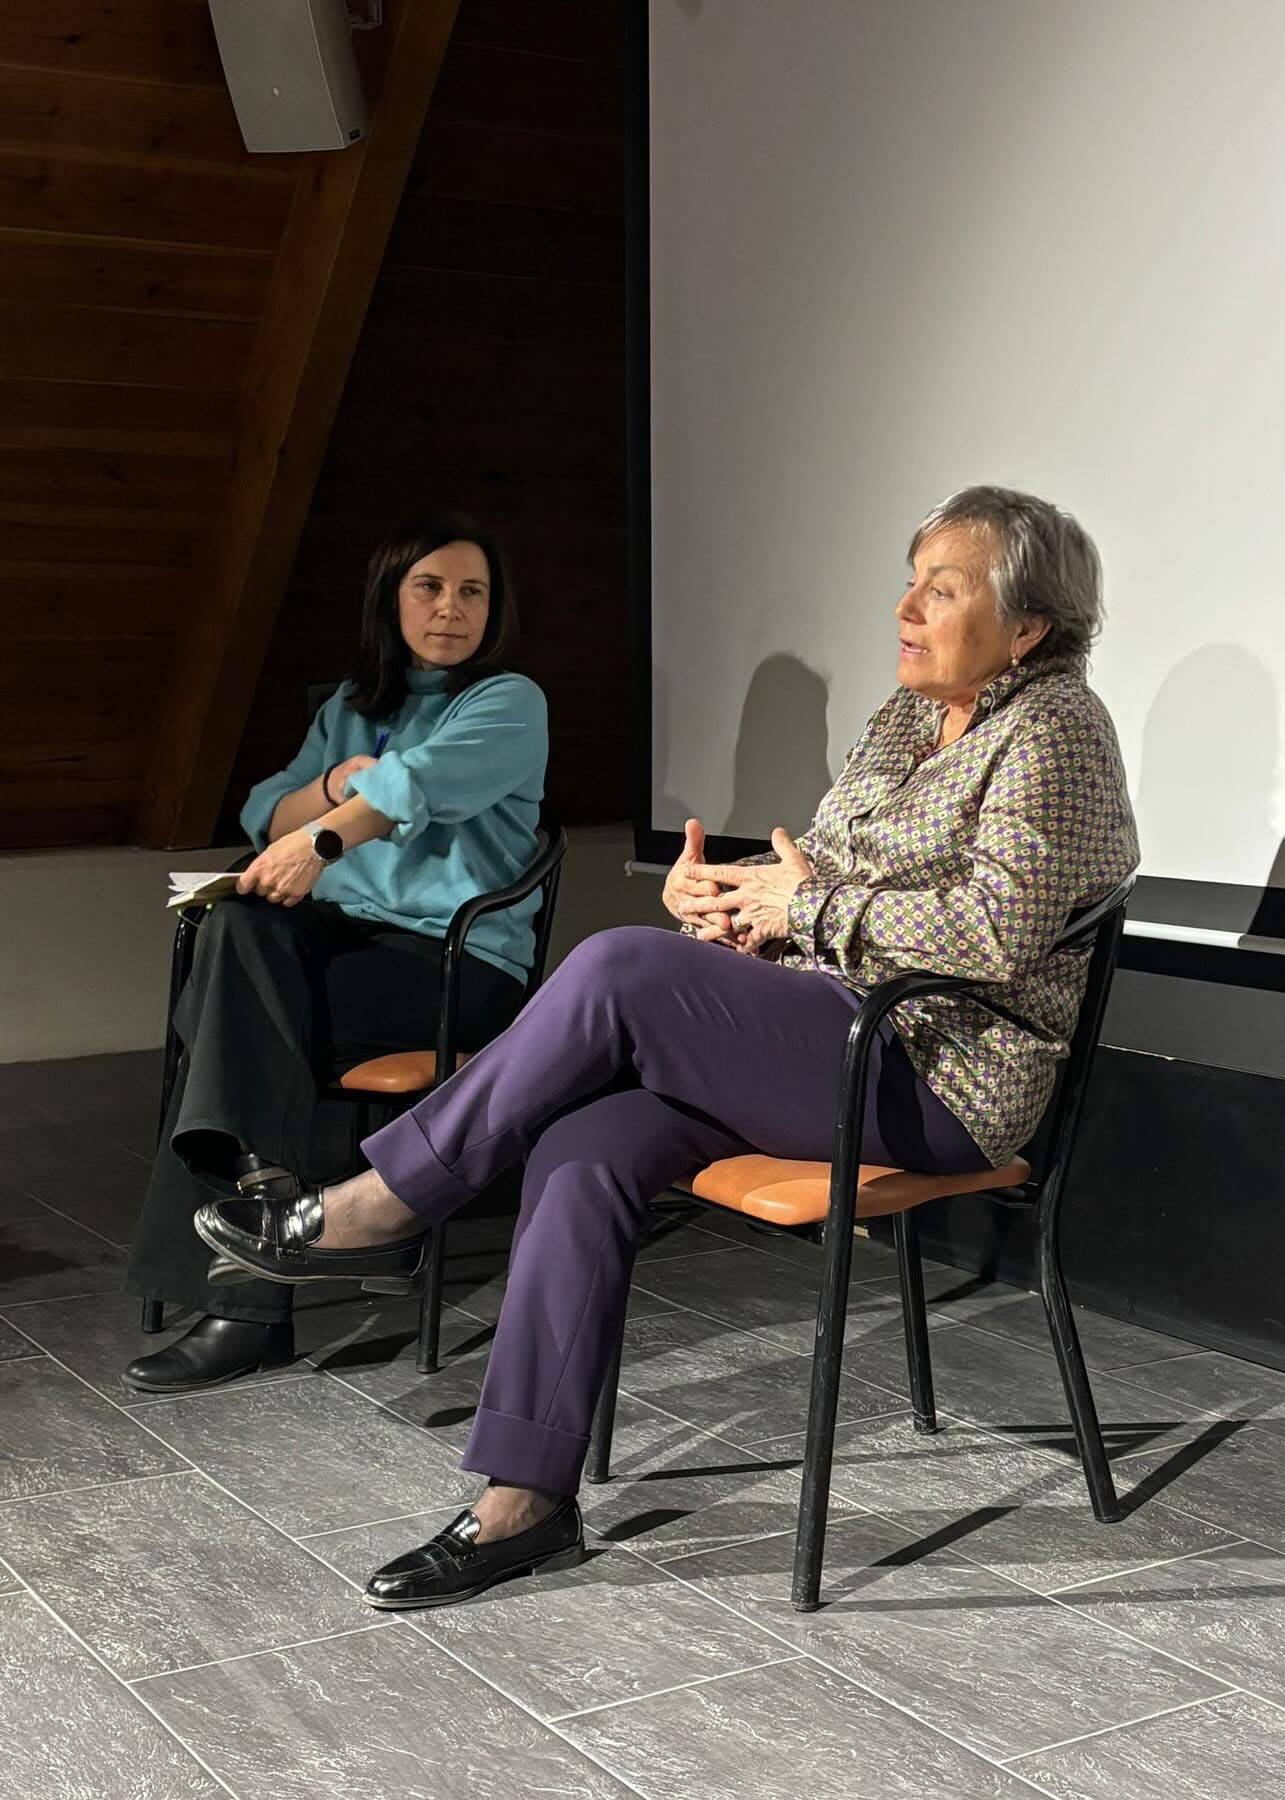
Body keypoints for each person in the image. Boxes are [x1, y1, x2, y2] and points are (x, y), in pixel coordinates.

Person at [198, 484, 1139, 1606]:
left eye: (941, 590)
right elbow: (827, 877)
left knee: (617, 967)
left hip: (935, 1079)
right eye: (910, 581)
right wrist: (731, 898)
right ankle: (524, 1502)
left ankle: (388, 1200)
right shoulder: (905, 718)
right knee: (586, 1143)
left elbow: (998, 928)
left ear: (1027, 627)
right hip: (826, 1037)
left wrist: (801, 909)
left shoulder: (1057, 730)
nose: (905, 608)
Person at [122, 512, 548, 1394]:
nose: (451, 608)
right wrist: (326, 785)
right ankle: (276, 1199)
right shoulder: (350, 708)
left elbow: (414, 786)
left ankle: (248, 1306)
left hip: (453, 964)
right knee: (235, 928)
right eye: (429, 587)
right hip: (341, 946)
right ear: (391, 600)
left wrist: (322, 838)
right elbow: (265, 812)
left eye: (472, 592)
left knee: (234, 1021)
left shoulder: (509, 702)